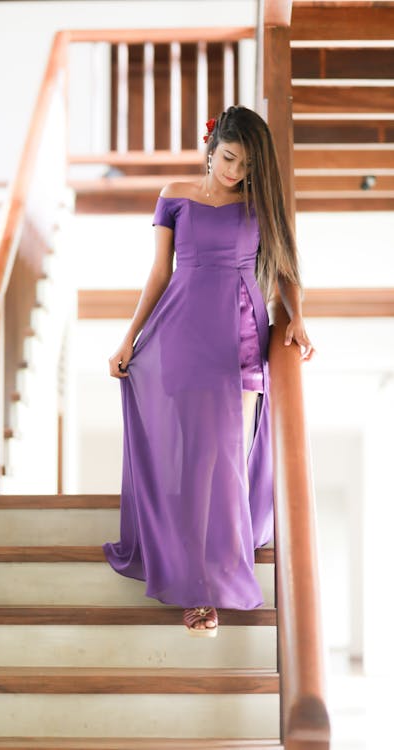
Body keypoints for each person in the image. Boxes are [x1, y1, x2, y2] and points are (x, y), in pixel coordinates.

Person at [104, 105, 314, 638]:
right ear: (211, 147)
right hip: (179, 336)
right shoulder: (175, 195)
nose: (234, 172)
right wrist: (128, 338)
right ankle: (193, 582)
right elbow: (158, 273)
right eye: (227, 158)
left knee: (225, 459)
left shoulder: (259, 204)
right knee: (191, 459)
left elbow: (286, 271)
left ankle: (209, 587)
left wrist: (296, 320)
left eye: (245, 165)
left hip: (241, 340)